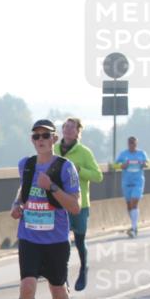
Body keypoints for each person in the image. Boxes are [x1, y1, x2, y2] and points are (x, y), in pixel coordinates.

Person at [11, 120, 81, 299]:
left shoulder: (64, 167)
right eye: (36, 136)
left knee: (57, 290)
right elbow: (24, 190)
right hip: (29, 237)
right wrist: (16, 205)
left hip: (56, 240)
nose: (40, 139)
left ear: (54, 139)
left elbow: (75, 205)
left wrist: (51, 186)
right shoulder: (26, 165)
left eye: (45, 135)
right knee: (27, 287)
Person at [55, 117, 103, 290]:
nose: (68, 129)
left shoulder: (84, 152)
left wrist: (79, 170)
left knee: (80, 240)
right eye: (65, 126)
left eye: (72, 127)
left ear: (78, 132)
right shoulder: (54, 149)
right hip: (59, 204)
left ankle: (83, 268)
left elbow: (98, 176)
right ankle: (63, 278)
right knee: (61, 241)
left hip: (79, 204)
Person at [113, 136, 148, 238]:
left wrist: (144, 164)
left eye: (134, 143)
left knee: (134, 202)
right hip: (126, 182)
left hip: (138, 182)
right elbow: (114, 165)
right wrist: (121, 166)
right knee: (129, 205)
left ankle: (134, 228)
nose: (132, 145)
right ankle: (134, 226)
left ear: (136, 144)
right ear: (128, 144)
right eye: (131, 143)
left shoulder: (141, 153)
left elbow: (147, 163)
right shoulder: (124, 154)